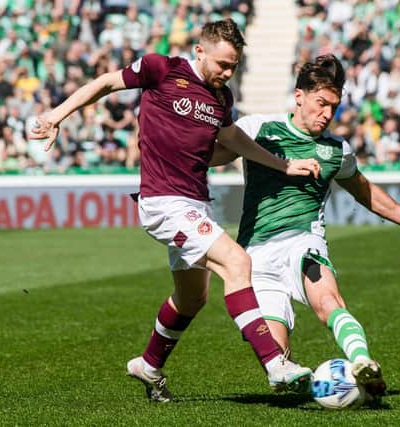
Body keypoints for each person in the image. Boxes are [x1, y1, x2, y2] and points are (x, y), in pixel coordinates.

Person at [29, 19, 320, 402]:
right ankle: (276, 365)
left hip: (195, 203)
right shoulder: (161, 69)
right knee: (236, 262)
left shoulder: (221, 98)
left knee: (192, 298)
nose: (227, 73)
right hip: (163, 203)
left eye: (233, 66)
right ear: (199, 51)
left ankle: (148, 366)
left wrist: (282, 165)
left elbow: (231, 138)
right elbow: (103, 83)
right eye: (222, 64)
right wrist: (55, 116)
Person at [211, 54, 400, 400]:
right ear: (299, 96)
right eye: (321, 103)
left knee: (327, 301)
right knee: (278, 360)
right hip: (256, 256)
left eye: (333, 107)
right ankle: (321, 386)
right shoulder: (258, 129)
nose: (326, 114)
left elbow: (366, 193)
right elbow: (209, 156)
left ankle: (363, 363)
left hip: (303, 241)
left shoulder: (336, 150)